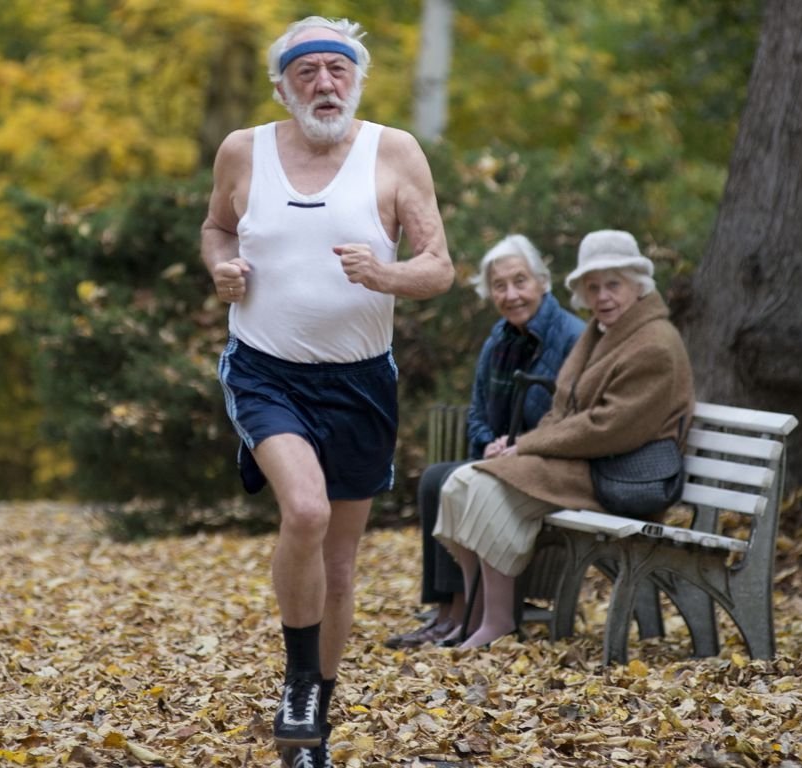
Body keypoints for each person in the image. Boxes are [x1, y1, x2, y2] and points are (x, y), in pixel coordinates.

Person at [201, 15, 453, 767]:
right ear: (283, 86)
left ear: (358, 79)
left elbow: (439, 266)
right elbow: (216, 229)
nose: (324, 83)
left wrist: (389, 275)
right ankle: (298, 684)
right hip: (265, 369)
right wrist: (221, 269)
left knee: (340, 567)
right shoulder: (243, 151)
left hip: (360, 381)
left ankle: (314, 722)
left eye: (336, 70)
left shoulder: (394, 152)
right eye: (306, 71)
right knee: (304, 510)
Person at [432, 229, 694, 649]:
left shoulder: (655, 345)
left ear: (637, 285)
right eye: (593, 287)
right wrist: (514, 446)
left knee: (480, 486)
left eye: (613, 284)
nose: (603, 296)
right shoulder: (602, 332)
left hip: (621, 473)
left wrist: (528, 446)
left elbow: (609, 426)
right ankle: (481, 615)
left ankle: (498, 622)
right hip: (587, 462)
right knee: (459, 485)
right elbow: (563, 407)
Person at [383, 234, 583, 649]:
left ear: (543, 283)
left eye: (520, 281)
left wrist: (521, 443)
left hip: (546, 463)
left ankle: (465, 611)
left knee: (450, 480)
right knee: (435, 478)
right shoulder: (499, 341)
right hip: (503, 457)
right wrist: (489, 440)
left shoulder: (570, 337)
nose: (510, 294)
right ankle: (447, 611)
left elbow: (572, 417)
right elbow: (476, 411)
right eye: (499, 286)